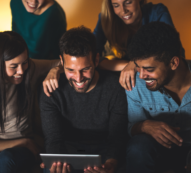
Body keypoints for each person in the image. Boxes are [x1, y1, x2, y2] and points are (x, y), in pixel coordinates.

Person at [125, 22, 191, 173]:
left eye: (149, 69)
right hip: (157, 153)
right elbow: (130, 128)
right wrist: (144, 125)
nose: (141, 76)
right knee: (137, 147)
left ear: (173, 62)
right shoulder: (135, 83)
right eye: (137, 67)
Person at [0, 31, 60, 173]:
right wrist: (25, 142)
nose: (21, 71)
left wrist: (55, 71)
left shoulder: (30, 69)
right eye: (13, 66)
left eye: (24, 62)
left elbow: (62, 62)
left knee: (6, 158)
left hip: (18, 152)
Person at [42, 0, 182, 96]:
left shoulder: (158, 11)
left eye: (128, 2)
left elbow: (171, 50)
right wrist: (58, 68)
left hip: (162, 70)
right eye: (116, 5)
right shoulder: (106, 18)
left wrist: (135, 64)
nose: (123, 10)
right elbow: (89, 53)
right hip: (127, 73)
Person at [39, 26, 128, 173]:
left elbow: (116, 138)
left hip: (104, 153)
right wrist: (56, 162)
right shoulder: (51, 90)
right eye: (71, 70)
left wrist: (111, 163)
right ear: (61, 62)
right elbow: (53, 139)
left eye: (85, 69)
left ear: (97, 60)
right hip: (67, 153)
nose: (79, 78)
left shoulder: (115, 88)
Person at [0, 0, 66, 79]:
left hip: (35, 67)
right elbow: (14, 38)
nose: (32, 1)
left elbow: (60, 57)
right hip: (12, 60)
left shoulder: (55, 15)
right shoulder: (15, 3)